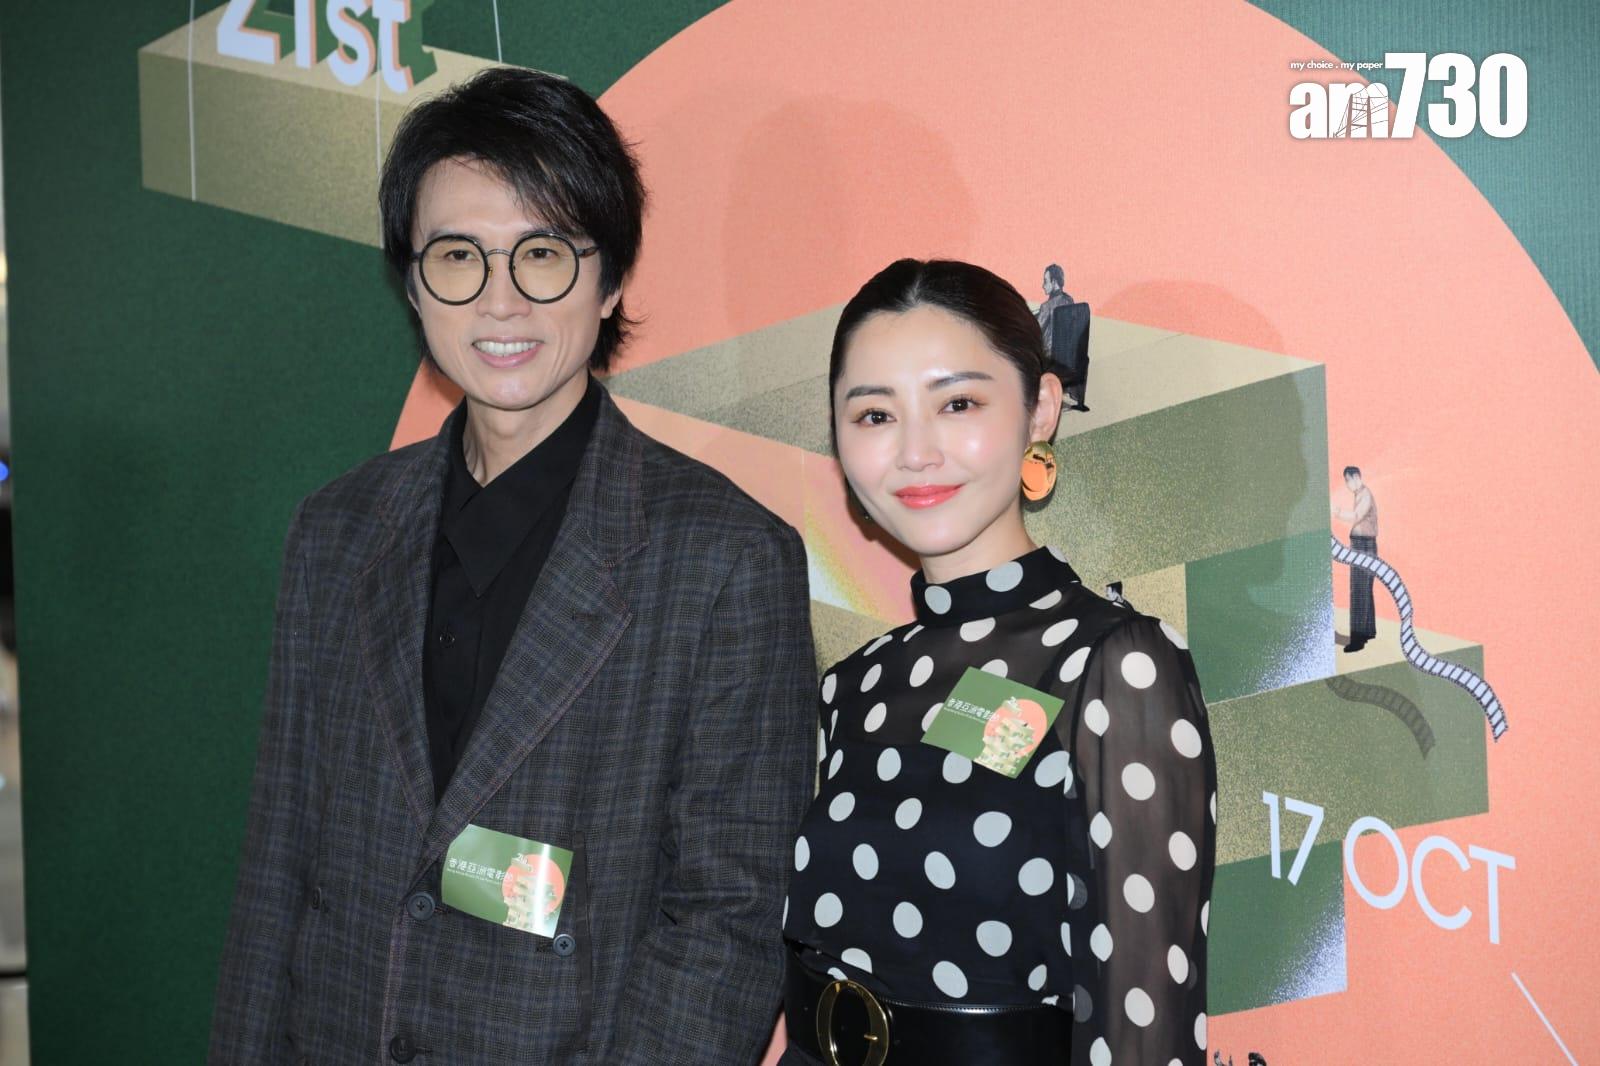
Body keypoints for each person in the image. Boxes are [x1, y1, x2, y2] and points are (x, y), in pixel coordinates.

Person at [209, 67, 817, 1064]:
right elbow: (280, 864)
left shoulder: (725, 559)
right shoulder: (335, 530)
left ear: (609, 280)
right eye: (458, 256)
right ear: (412, 282)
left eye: (543, 254)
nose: (501, 301)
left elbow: (728, 923)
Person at [781, 259, 1215, 1064]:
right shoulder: (857, 683)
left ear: (1040, 408)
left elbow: (1146, 1028)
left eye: (958, 404)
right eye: (874, 415)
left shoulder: (1113, 664)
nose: (915, 452)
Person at [1333, 466, 1379, 653]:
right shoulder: (1362, 494)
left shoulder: (1365, 495)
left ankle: (1357, 640)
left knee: (1359, 591)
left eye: (1348, 480)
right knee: (1365, 589)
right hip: (1366, 544)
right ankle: (1367, 631)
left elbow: (1356, 516)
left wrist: (1336, 512)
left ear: (1356, 477)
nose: (1347, 485)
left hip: (1362, 545)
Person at [1035, 264, 1089, 411]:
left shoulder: (1046, 307)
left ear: (1054, 282)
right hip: (1069, 357)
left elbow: (1036, 330)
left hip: (1050, 359)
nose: (1043, 285)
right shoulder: (1069, 301)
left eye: (1045, 281)